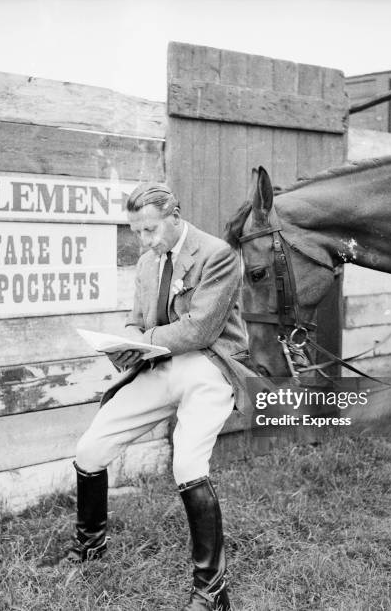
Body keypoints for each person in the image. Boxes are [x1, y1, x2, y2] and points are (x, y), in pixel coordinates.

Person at [61, 182, 253, 610]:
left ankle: (212, 591)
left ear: (175, 217)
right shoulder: (148, 263)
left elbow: (200, 330)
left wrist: (143, 338)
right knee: (90, 448)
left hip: (208, 364)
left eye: (150, 230)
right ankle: (90, 547)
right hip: (160, 363)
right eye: (137, 232)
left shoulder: (218, 254)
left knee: (187, 463)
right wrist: (128, 343)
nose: (145, 241)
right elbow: (134, 320)